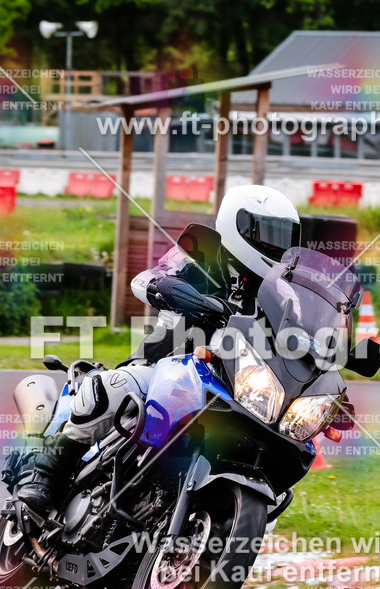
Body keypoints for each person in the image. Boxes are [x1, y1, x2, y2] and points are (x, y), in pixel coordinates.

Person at [16, 184, 303, 513]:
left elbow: (298, 340)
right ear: (236, 225)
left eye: (284, 236)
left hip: (231, 389)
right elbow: (149, 277)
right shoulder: (204, 253)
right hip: (165, 368)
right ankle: (44, 474)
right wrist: (175, 291)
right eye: (266, 234)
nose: (274, 245)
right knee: (115, 387)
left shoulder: (282, 293)